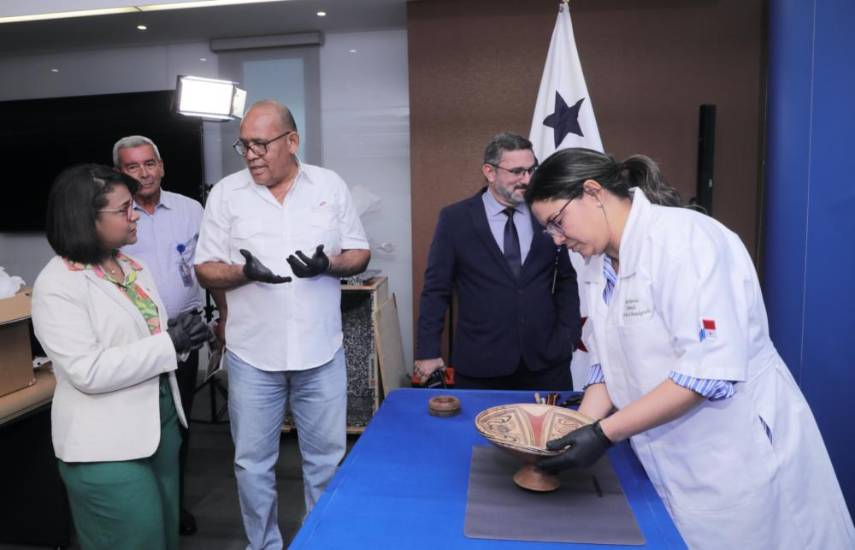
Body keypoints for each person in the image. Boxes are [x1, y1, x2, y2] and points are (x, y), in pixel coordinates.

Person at [524, 148, 855, 549]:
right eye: (550, 231)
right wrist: (577, 429)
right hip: (671, 456)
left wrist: (603, 433)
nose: (559, 240)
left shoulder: (686, 241)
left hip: (733, 455)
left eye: (558, 223)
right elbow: (606, 362)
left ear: (593, 192)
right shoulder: (596, 263)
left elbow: (707, 372)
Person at [194, 100, 370, 549]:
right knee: (252, 465)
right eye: (244, 145)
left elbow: (359, 252)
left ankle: (318, 542)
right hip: (253, 354)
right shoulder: (226, 195)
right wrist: (243, 273)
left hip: (320, 351)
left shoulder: (328, 185)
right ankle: (264, 546)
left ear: (292, 142)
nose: (251, 154)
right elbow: (205, 269)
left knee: (326, 462)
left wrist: (327, 265)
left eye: (261, 143)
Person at [31, 164, 208, 550]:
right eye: (124, 209)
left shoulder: (129, 266)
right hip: (105, 446)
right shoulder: (58, 284)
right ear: (86, 218)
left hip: (158, 430)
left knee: (163, 539)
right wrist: (167, 344)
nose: (135, 216)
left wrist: (181, 336)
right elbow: (87, 371)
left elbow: (140, 337)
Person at [414, 133, 581, 390]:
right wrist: (427, 351)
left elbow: (566, 280)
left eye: (531, 170)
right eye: (517, 171)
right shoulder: (456, 219)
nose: (527, 179)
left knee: (551, 431)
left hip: (547, 364)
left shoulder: (548, 214)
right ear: (490, 172)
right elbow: (436, 290)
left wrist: (568, 336)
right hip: (480, 366)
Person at [114, 135, 205, 536]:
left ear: (162, 166)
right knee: (138, 425)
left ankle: (173, 503)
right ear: (119, 173)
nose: (143, 173)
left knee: (179, 424)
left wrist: (224, 319)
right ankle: (143, 507)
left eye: (149, 163)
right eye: (132, 167)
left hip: (185, 333)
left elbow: (208, 265)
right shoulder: (112, 216)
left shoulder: (190, 210)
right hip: (133, 339)